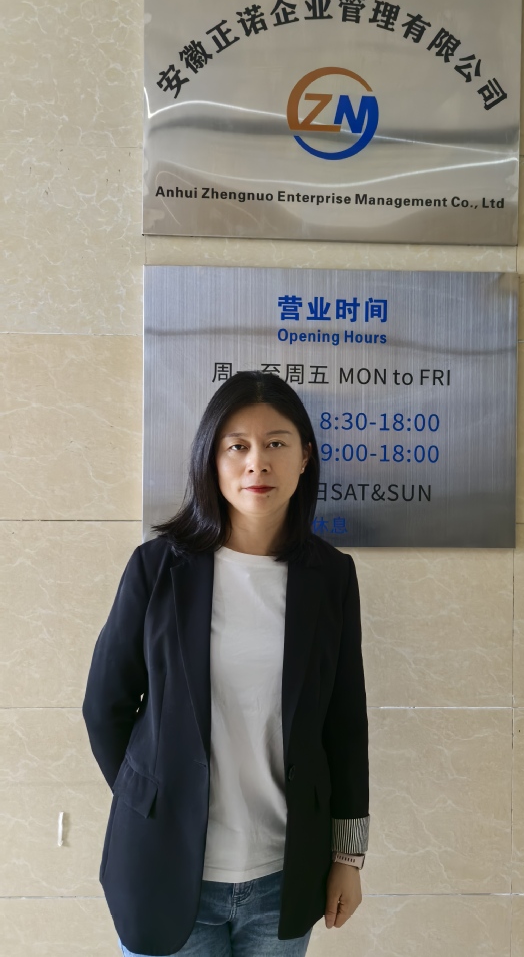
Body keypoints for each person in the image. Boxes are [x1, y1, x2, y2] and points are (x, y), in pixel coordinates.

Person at [82, 371, 369, 956]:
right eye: (236, 445)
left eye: (276, 443)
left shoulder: (331, 577)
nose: (257, 462)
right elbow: (105, 706)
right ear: (211, 460)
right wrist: (154, 804)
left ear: (304, 457)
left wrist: (348, 856)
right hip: (166, 872)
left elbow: (344, 725)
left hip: (284, 877)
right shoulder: (157, 568)